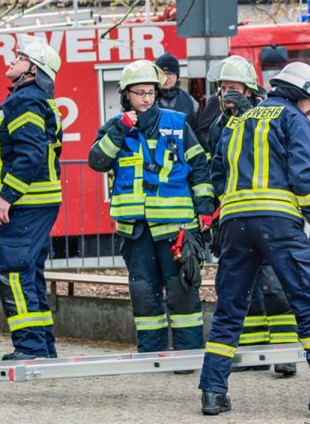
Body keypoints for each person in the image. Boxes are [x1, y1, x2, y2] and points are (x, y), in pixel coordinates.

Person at [199, 61, 310, 416]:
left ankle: (213, 391)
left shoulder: (239, 120)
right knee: (309, 298)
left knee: (229, 307)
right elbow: (301, 175)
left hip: (235, 224)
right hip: (279, 224)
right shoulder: (292, 118)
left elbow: (218, 173)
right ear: (300, 94)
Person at [89, 60, 215, 356]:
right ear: (126, 95)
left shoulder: (177, 122)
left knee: (182, 293)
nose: (146, 98)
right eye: (140, 93)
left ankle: (188, 355)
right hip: (135, 230)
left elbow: (199, 167)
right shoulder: (115, 128)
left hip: (176, 228)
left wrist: (205, 209)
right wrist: (120, 129)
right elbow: (97, 162)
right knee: (144, 295)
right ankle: (151, 355)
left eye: (150, 92)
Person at [205, 55, 298, 377]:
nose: (226, 94)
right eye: (222, 88)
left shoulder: (267, 115)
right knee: (245, 290)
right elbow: (217, 167)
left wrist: (246, 115)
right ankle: (254, 352)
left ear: (248, 90)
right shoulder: (218, 125)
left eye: (233, 88)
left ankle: (285, 353)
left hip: (271, 216)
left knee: (276, 287)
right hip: (234, 217)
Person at [0, 36, 64, 361]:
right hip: (37, 202)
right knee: (30, 272)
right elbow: (27, 149)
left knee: (14, 272)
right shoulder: (35, 100)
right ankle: (43, 346)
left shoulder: (24, 102)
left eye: (19, 57)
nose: (11, 61)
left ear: (33, 69)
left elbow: (30, 155)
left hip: (24, 204)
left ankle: (29, 349)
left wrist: (5, 197)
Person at [154, 52, 198, 124]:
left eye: (170, 73)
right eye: (162, 74)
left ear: (177, 76)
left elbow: (199, 130)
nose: (166, 78)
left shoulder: (190, 102)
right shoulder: (148, 100)